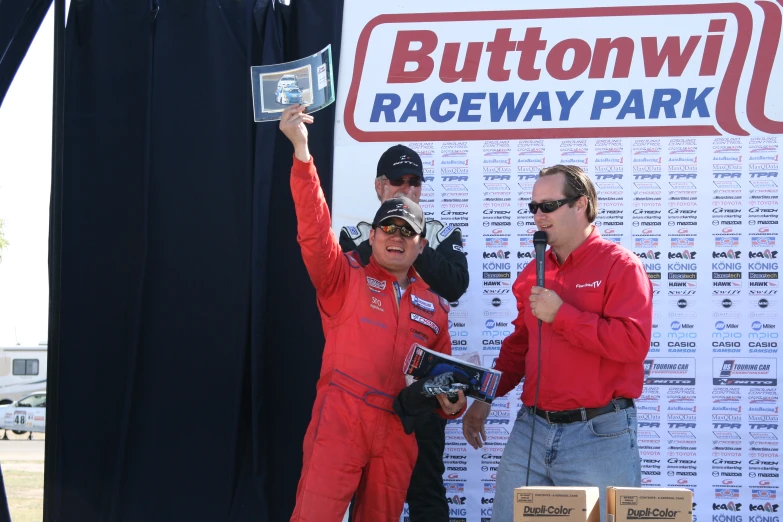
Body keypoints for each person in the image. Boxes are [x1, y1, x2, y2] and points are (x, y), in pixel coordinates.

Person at [279, 104, 467, 522]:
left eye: (407, 232)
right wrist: (302, 154)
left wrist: (451, 403)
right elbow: (313, 230)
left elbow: (440, 383)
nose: (396, 237)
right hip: (343, 418)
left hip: (400, 426)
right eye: (388, 228)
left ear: (421, 246)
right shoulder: (344, 276)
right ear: (374, 233)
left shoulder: (435, 307)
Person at [461, 165, 653, 522]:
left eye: (548, 206)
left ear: (580, 205)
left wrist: (562, 314)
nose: (538, 215)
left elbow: (632, 344)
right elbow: (519, 346)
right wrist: (485, 394)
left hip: (598, 434)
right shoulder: (532, 271)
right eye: (532, 207)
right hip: (531, 429)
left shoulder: (621, 266)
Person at [339, 144, 469, 522]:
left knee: (426, 488)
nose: (407, 189)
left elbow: (455, 285)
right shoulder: (356, 234)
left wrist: (412, 238)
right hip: (369, 382)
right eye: (398, 181)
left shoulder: (442, 235)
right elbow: (352, 280)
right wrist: (392, 230)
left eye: (415, 183)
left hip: (424, 384)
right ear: (380, 186)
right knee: (364, 492)